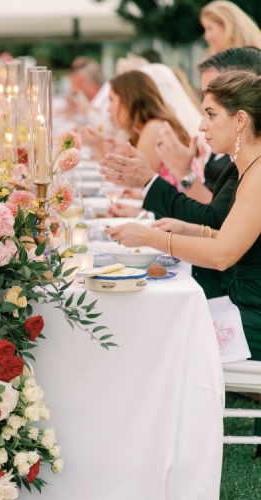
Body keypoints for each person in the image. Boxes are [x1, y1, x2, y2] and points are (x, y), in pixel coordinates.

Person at [107, 70, 261, 359]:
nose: (202, 126)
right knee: (152, 318)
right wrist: (193, 230)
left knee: (153, 335)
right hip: (243, 307)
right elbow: (236, 241)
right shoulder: (250, 168)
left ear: (240, 120)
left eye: (211, 115)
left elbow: (222, 256)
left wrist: (151, 238)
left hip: (252, 319)